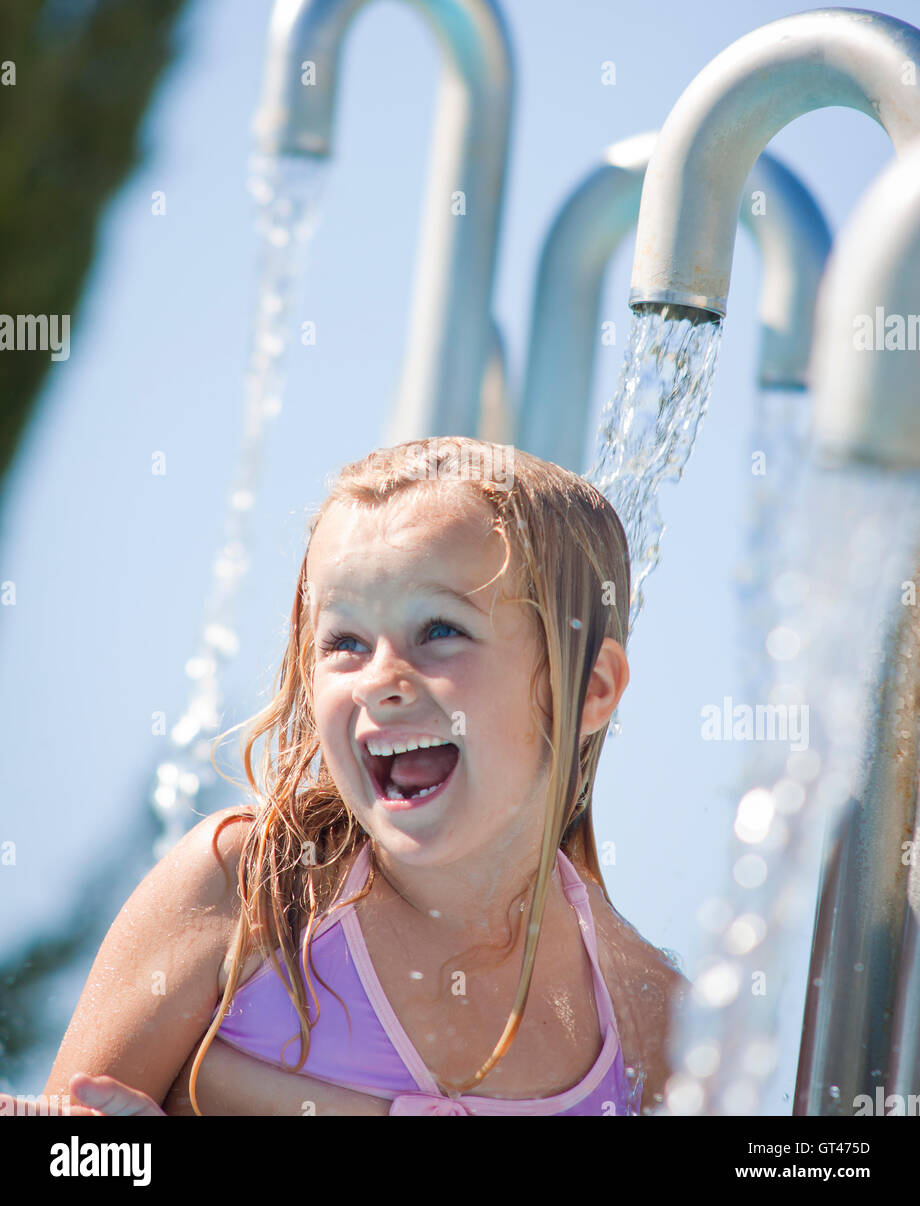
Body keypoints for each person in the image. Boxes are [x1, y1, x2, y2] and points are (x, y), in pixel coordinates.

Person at [2, 437, 687, 1117]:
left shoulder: (648, 1018)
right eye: (345, 643)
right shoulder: (252, 892)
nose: (382, 680)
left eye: (441, 630)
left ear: (591, 688)